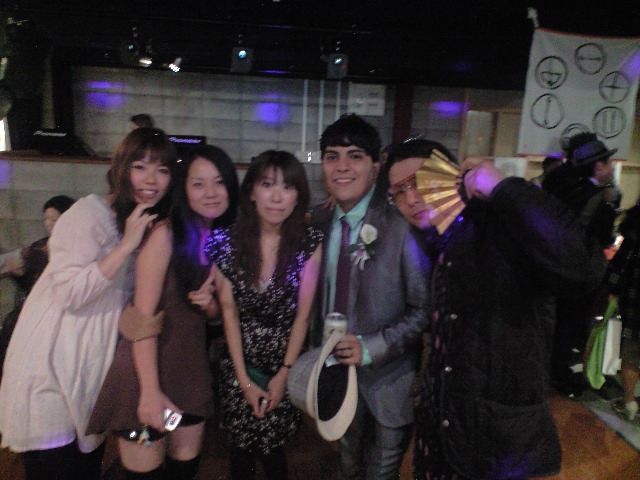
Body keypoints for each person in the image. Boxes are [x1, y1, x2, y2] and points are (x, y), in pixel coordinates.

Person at [385, 139, 606, 479]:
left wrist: (505, 188)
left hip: (498, 442)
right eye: (398, 191)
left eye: (418, 181)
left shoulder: (500, 224)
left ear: (449, 174)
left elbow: (582, 267)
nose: (411, 198)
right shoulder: (435, 240)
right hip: (443, 429)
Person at [0, 127, 176, 480]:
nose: (151, 179)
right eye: (140, 167)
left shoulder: (145, 222)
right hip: (50, 366)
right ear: (121, 169)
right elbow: (70, 293)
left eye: (162, 169)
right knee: (55, 466)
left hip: (90, 370)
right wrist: (125, 246)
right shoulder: (87, 213)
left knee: (84, 467)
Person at [87, 145, 239, 479]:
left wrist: (211, 307)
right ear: (184, 189)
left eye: (219, 182)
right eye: (198, 183)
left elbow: (212, 316)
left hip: (189, 380)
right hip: (146, 380)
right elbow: (141, 320)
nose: (211, 192)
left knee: (184, 468)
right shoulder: (165, 235)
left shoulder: (217, 239)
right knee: (146, 471)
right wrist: (150, 393)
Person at [310, 114, 430, 480]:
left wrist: (371, 347)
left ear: (375, 167)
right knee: (347, 464)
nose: (342, 166)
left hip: (389, 379)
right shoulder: (318, 222)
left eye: (355, 156)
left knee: (381, 473)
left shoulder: (401, 227)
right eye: (332, 156)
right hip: (334, 371)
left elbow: (423, 309)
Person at [205, 150, 322, 480]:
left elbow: (303, 316)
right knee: (239, 448)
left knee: (272, 450)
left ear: (298, 196)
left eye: (288, 186)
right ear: (252, 192)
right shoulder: (225, 242)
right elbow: (229, 313)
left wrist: (284, 374)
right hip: (238, 363)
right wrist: (243, 380)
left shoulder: (309, 243)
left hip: (283, 364)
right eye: (267, 184)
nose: (277, 197)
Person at [543, 132, 620, 396]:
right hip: (581, 271)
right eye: (608, 163)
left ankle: (552, 371)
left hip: (556, 266)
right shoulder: (598, 199)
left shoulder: (565, 188)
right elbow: (603, 238)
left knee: (558, 321)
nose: (611, 168)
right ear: (598, 166)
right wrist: (610, 204)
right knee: (572, 324)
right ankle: (560, 374)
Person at [0, 195, 75, 383]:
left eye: (54, 219)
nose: (48, 223)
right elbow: (27, 282)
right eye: (46, 218)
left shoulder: (76, 247)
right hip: (32, 307)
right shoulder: (39, 246)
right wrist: (18, 273)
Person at [607, 197, 640, 421]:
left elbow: (622, 264)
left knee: (632, 352)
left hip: (635, 299)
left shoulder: (635, 227)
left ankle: (629, 403)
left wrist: (613, 290)